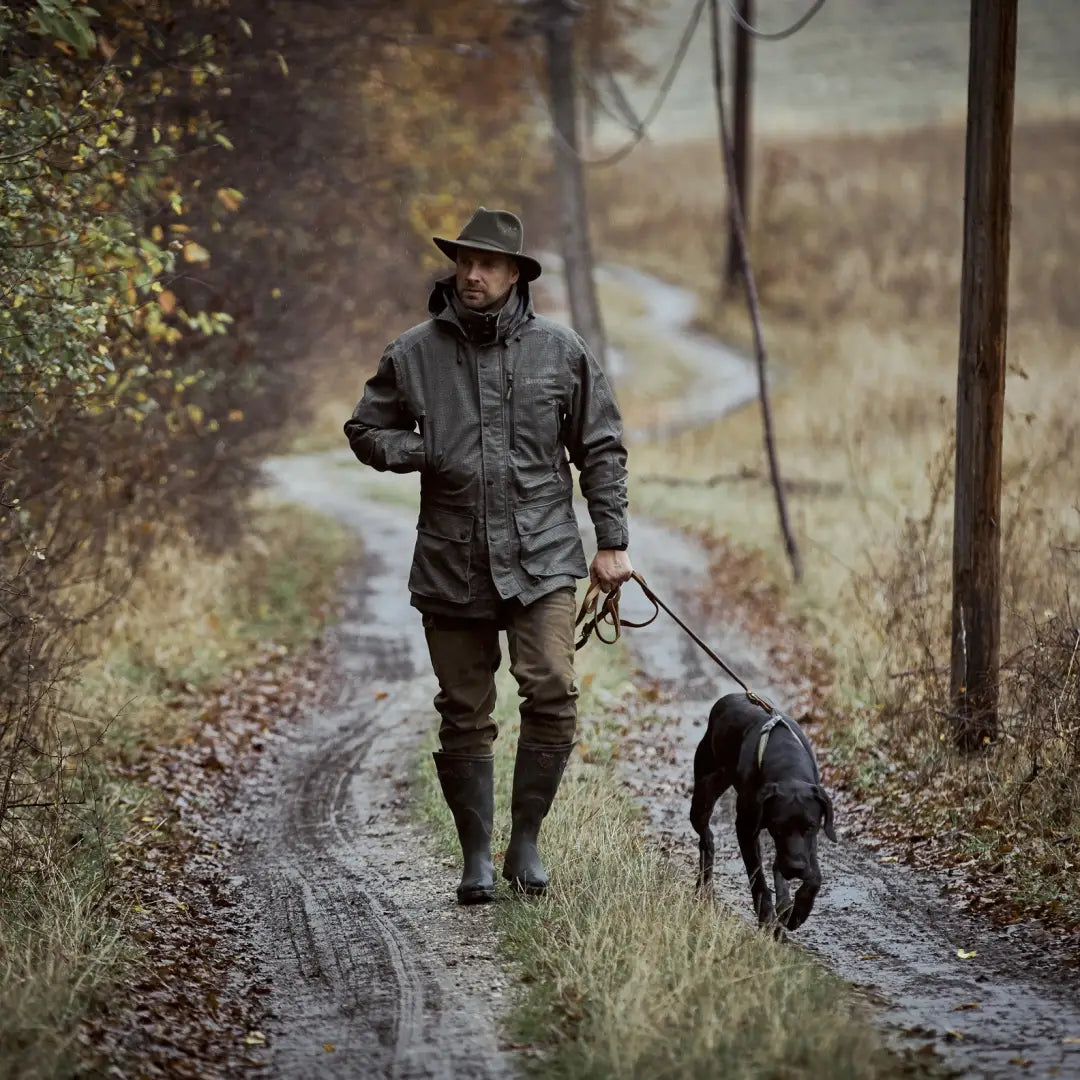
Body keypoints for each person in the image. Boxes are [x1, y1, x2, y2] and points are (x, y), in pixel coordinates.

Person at [344, 207, 632, 904]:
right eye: (464, 262)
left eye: (489, 265)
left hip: (542, 557)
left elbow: (600, 447)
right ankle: (476, 856)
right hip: (451, 561)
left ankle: (525, 841)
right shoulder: (413, 352)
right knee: (464, 709)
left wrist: (612, 542)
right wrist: (420, 450)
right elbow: (364, 427)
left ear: (514, 275)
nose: (473, 274)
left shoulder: (560, 352)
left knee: (553, 690)